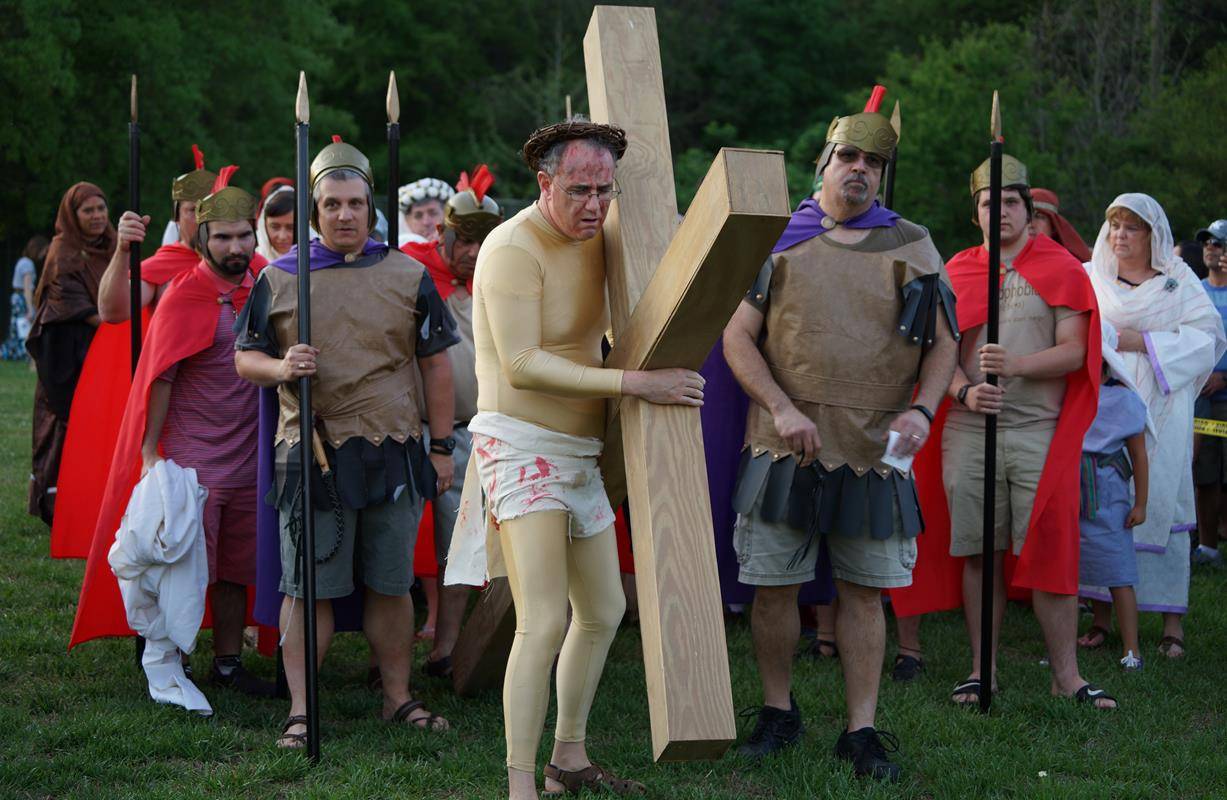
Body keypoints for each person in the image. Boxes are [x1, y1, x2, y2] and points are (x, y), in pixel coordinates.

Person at [449, 117, 702, 799]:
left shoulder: (600, 235)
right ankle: (519, 784)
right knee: (543, 618)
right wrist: (635, 383)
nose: (593, 205)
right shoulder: (509, 248)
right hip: (519, 445)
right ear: (544, 183)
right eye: (578, 190)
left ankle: (568, 757)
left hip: (580, 449)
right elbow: (524, 365)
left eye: (604, 191)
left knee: (603, 608)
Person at [723, 88, 958, 781]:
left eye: (872, 161)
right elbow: (737, 337)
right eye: (847, 155)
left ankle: (860, 729)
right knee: (772, 587)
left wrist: (921, 411)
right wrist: (779, 405)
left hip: (872, 449)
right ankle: (776, 710)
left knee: (862, 591)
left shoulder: (911, 244)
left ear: (881, 174)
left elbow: (944, 342)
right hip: (780, 440)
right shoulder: (778, 237)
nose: (858, 168)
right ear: (824, 161)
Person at [234, 137, 458, 747]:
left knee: (390, 583)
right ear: (315, 211)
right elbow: (245, 357)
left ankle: (397, 697)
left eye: (356, 203)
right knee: (309, 589)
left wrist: (441, 448)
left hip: (394, 449)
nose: (345, 214)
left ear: (370, 207)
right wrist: (282, 369)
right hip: (312, 452)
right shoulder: (280, 278)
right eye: (332, 204)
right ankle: (302, 710)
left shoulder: (408, 274)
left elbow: (437, 366)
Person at [69, 167, 273, 697]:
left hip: (250, 450)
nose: (235, 245)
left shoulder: (265, 285)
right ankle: (167, 658)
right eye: (223, 236)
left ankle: (227, 662)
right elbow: (159, 374)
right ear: (202, 237)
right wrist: (148, 452)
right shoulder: (183, 290)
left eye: (243, 235)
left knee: (235, 565)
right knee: (179, 563)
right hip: (193, 454)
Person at [942, 154, 1112, 710]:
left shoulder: (1061, 266)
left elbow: (1075, 350)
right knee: (978, 550)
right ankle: (981, 671)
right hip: (970, 429)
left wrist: (1015, 366)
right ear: (977, 214)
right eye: (990, 203)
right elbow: (933, 355)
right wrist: (966, 390)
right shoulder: (956, 270)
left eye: (1011, 202)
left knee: (1049, 548)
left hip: (1037, 426)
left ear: (1028, 209)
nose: (1001, 212)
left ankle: (1067, 676)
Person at [50, 148, 222, 560]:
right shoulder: (165, 264)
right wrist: (124, 251)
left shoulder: (246, 263)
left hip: (233, 402)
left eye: (207, 209)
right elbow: (112, 311)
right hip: (175, 405)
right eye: (189, 210)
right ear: (176, 216)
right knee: (175, 512)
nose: (198, 219)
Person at [1079, 195, 1226, 660]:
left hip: (1164, 403)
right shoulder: (1092, 277)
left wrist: (1140, 341)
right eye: (1115, 225)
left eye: (1132, 228)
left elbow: (1208, 339)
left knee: (1164, 500)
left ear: (1152, 235)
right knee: (1104, 505)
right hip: (1105, 408)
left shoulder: (1178, 282)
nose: (1120, 235)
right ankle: (1101, 616)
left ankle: (1171, 624)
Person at [401, 165, 503, 679]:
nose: (474, 253)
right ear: (443, 234)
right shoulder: (409, 272)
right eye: (465, 242)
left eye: (484, 242)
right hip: (407, 426)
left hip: (470, 431)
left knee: (458, 544)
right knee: (394, 542)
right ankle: (389, 653)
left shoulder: (495, 275)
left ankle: (444, 648)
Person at [26, 182, 115, 524]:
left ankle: (95, 497)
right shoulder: (63, 250)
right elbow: (70, 302)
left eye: (100, 209)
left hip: (103, 347)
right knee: (62, 425)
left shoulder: (112, 246)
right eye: (87, 210)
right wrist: (119, 318)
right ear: (72, 214)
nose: (96, 216)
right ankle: (56, 500)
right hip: (65, 352)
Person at [1077, 323, 1150, 671]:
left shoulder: (1124, 398)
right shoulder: (1072, 392)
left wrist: (1141, 503)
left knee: (1118, 568)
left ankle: (1132, 648)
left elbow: (1138, 455)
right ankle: (1066, 639)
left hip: (1109, 491)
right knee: (1071, 565)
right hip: (1071, 488)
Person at [1192, 218, 1227, 567]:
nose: (1210, 249)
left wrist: (1225, 377)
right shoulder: (1195, 291)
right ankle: (1207, 548)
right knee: (1205, 473)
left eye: (1218, 243)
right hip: (1201, 397)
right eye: (1207, 243)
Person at [3, 235, 48, 360]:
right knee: (25, 327)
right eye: (44, 250)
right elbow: (27, 287)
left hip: (17, 297)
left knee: (16, 327)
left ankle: (12, 352)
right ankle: (22, 353)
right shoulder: (28, 264)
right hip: (22, 298)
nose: (44, 254)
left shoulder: (22, 261)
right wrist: (30, 308)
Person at [1030, 188, 1092, 262]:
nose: (1031, 224)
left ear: (1053, 226)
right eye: (1025, 217)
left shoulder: (1068, 264)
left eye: (1039, 216)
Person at [397, 177, 453, 246]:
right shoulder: (393, 253)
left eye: (433, 213)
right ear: (406, 221)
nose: (426, 222)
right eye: (418, 216)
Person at [256, 185, 295, 263]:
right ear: (264, 226)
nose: (282, 236)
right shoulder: (251, 264)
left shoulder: (318, 263)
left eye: (291, 228)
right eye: (275, 227)